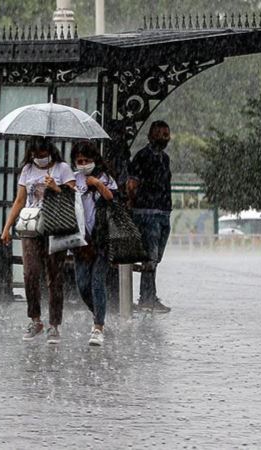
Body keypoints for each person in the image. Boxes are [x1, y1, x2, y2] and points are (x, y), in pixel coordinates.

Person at [0, 138, 76, 344]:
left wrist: (56, 187)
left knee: (54, 276)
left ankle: (54, 324)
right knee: (30, 273)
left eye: (43, 155)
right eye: (36, 155)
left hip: (55, 226)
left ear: (50, 151)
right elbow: (20, 200)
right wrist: (7, 227)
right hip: (32, 227)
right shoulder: (27, 170)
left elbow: (73, 196)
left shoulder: (62, 168)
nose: (39, 159)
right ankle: (35, 319)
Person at [71, 141, 117, 346]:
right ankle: (99, 313)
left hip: (102, 239)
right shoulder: (73, 179)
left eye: (86, 160)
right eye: (79, 161)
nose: (83, 164)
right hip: (81, 240)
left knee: (97, 282)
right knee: (82, 284)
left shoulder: (105, 178)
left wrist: (97, 183)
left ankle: (98, 326)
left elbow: (112, 198)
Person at [127, 120, 172, 313]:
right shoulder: (142, 157)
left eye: (166, 134)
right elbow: (132, 185)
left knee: (156, 257)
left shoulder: (165, 159)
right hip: (146, 213)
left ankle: (148, 295)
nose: (164, 137)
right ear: (150, 136)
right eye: (160, 134)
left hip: (162, 212)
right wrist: (132, 206)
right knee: (150, 256)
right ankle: (147, 297)